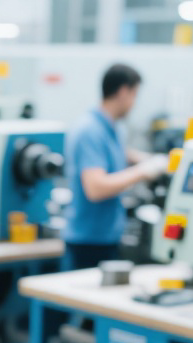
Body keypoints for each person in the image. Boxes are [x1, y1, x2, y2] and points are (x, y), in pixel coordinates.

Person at [63, 64, 169, 271]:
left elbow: (117, 152)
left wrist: (149, 160)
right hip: (87, 243)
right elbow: (96, 188)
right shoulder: (89, 130)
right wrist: (143, 171)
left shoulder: (113, 127)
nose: (134, 103)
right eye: (134, 95)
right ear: (123, 92)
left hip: (108, 237)